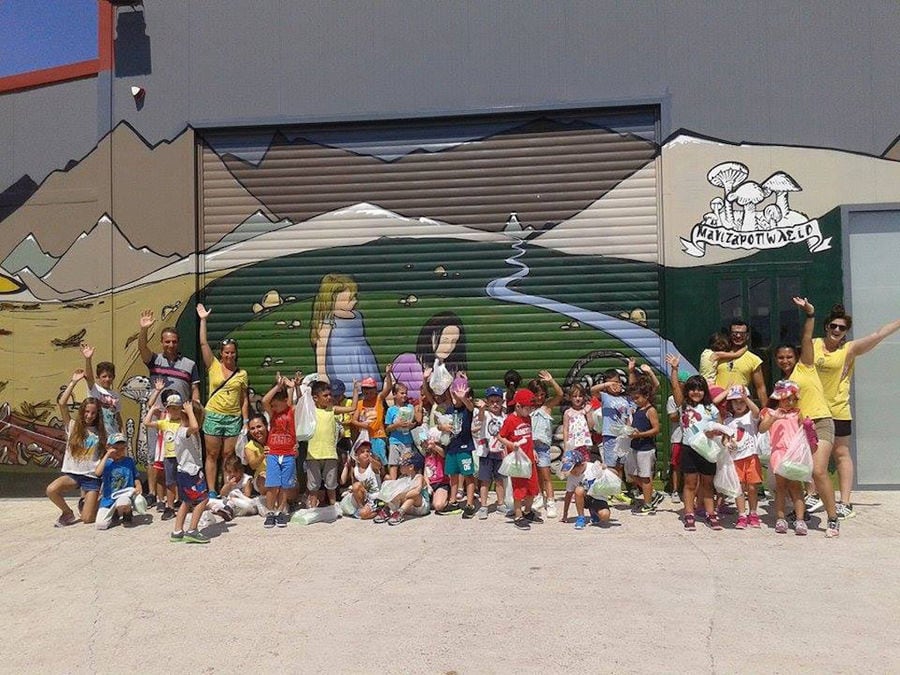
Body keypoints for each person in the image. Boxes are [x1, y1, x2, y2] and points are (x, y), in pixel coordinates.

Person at [813, 304, 900, 519]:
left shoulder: (848, 349)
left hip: (838, 410)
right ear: (826, 327)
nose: (836, 330)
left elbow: (877, 335)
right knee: (810, 454)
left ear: (845, 332)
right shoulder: (813, 345)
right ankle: (812, 495)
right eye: (833, 326)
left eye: (841, 328)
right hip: (813, 408)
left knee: (841, 454)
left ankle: (845, 502)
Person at [776, 297, 840, 537]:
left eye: (788, 356)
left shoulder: (806, 365)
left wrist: (810, 315)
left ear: (796, 356)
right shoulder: (781, 384)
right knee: (798, 471)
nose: (785, 360)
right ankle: (802, 511)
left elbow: (805, 339)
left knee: (818, 471)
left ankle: (833, 518)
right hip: (797, 430)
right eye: (780, 358)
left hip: (821, 422)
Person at [138, 309, 200, 512]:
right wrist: (144, 329)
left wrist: (195, 406)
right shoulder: (154, 360)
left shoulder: (189, 364)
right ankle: (155, 496)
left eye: (174, 341)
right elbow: (142, 348)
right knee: (155, 458)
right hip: (158, 415)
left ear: (178, 342)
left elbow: (194, 388)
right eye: (167, 341)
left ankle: (176, 498)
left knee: (178, 457)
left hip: (179, 418)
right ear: (162, 342)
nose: (170, 345)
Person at [196, 304, 249, 495]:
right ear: (221, 353)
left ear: (236, 353)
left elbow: (243, 399)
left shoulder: (242, 373)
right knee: (212, 454)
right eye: (226, 352)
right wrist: (203, 320)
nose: (229, 355)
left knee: (228, 455)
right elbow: (203, 344)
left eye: (232, 352)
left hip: (233, 418)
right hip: (213, 416)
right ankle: (211, 490)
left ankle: (226, 489)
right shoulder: (213, 366)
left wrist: (246, 420)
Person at [666, 354, 722, 531]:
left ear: (705, 391)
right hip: (689, 448)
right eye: (692, 389)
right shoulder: (683, 405)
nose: (696, 392)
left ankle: (710, 513)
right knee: (690, 483)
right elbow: (675, 386)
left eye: (699, 389)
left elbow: (719, 426)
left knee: (707, 484)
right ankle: (689, 513)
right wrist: (674, 369)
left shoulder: (711, 408)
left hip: (707, 450)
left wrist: (716, 432)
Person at [46, 370, 106, 526]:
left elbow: (104, 457)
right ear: (82, 412)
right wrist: (73, 382)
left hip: (91, 477)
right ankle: (67, 513)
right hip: (73, 474)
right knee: (51, 490)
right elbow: (62, 404)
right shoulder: (72, 426)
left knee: (87, 519)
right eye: (86, 411)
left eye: (93, 413)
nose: (89, 415)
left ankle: (103, 503)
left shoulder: (100, 432)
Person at [310, 273, 381, 387]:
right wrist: (322, 372)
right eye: (350, 298)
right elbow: (321, 345)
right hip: (342, 363)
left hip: (362, 360)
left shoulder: (357, 315)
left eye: (354, 297)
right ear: (334, 299)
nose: (355, 301)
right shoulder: (330, 319)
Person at [758, 380, 808, 536]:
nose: (790, 402)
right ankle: (781, 518)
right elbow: (761, 428)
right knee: (780, 486)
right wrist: (774, 417)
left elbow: (803, 431)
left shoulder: (797, 412)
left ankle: (800, 519)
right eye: (787, 398)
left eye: (793, 399)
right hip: (779, 453)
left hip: (795, 453)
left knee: (796, 486)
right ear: (779, 397)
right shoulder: (770, 412)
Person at [306, 379, 360, 510]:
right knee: (313, 486)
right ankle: (312, 509)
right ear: (315, 398)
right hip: (313, 454)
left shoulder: (332, 409)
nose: (329, 397)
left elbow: (352, 407)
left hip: (330, 453)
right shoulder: (310, 410)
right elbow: (296, 405)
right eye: (325, 395)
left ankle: (333, 507)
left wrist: (355, 390)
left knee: (331, 484)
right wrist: (296, 387)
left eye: (330, 395)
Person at [717, 386, 761, 529]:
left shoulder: (750, 417)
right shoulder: (728, 420)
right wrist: (727, 444)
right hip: (735, 459)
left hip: (751, 456)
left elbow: (757, 411)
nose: (739, 404)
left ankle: (753, 513)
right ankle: (742, 515)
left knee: (752, 487)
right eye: (735, 402)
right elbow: (725, 439)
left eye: (741, 401)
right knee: (739, 488)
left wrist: (746, 399)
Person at [498, 389, 543, 530]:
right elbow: (500, 436)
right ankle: (518, 515)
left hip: (529, 460)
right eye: (527, 408)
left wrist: (533, 449)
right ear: (518, 406)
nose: (529, 411)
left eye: (531, 408)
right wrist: (511, 445)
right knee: (519, 489)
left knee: (532, 488)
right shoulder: (510, 420)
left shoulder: (527, 418)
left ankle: (528, 511)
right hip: (518, 462)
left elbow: (529, 437)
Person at [261, 373, 301, 528]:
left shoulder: (291, 412)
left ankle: (280, 511)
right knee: (272, 485)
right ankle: (270, 512)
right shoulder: (272, 414)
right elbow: (265, 400)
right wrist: (278, 386)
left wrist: (295, 387)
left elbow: (302, 402)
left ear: (285, 401)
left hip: (289, 453)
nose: (273, 407)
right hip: (273, 453)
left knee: (285, 485)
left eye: (276, 404)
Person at [142, 381, 184, 521]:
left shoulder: (183, 417)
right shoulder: (163, 414)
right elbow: (150, 406)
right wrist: (157, 390)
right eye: (171, 405)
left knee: (179, 478)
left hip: (180, 452)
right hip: (164, 448)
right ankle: (162, 500)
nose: (174, 409)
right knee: (163, 476)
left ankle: (180, 501)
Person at [169, 399, 209, 544]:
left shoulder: (185, 432)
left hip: (187, 472)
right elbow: (195, 426)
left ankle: (177, 531)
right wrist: (191, 411)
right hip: (190, 473)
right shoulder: (183, 432)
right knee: (203, 499)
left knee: (186, 502)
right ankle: (192, 530)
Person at [527, 371, 563, 518]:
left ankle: (551, 502)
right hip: (530, 447)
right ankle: (538, 497)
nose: (540, 397)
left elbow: (560, 395)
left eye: (542, 394)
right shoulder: (527, 409)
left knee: (546, 476)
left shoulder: (547, 406)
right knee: (534, 476)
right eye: (537, 394)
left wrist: (551, 381)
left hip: (543, 447)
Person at [625, 379, 663, 515]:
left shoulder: (650, 410)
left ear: (646, 396)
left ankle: (648, 505)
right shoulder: (636, 409)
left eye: (637, 398)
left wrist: (640, 434)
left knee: (646, 477)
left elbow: (656, 429)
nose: (635, 400)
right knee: (631, 474)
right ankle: (652, 494)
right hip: (634, 446)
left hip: (645, 449)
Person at [473, 385, 508, 519]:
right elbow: (481, 418)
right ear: (487, 402)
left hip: (499, 452)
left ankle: (500, 503)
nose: (495, 404)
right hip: (486, 452)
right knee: (485, 481)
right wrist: (482, 408)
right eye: (491, 401)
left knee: (499, 480)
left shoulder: (505, 417)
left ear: (502, 402)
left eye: (497, 401)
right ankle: (483, 506)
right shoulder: (485, 414)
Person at [94, 432, 142, 529]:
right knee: (100, 525)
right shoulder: (106, 463)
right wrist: (107, 455)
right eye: (116, 448)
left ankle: (126, 514)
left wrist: (138, 485)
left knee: (124, 502)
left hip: (124, 494)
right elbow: (98, 473)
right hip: (109, 498)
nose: (119, 451)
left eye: (122, 448)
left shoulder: (129, 461)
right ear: (109, 447)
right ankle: (114, 513)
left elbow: (135, 476)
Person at [714, 320, 768, 404]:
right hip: (717, 405)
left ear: (747, 336)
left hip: (740, 407)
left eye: (742, 334)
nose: (738, 336)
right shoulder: (718, 355)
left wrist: (766, 412)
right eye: (735, 333)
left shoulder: (754, 359)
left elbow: (760, 388)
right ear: (729, 335)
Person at [373, 452, 430, 525]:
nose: (400, 466)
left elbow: (416, 492)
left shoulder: (419, 477)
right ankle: (386, 510)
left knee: (413, 496)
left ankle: (399, 513)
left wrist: (400, 496)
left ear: (411, 467)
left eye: (403, 464)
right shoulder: (404, 478)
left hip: (422, 508)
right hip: (410, 508)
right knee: (393, 490)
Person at [384, 372, 422, 480]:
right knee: (394, 463)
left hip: (407, 441)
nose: (404, 395)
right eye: (402, 393)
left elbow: (415, 423)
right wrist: (397, 425)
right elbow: (387, 428)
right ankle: (393, 483)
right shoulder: (391, 410)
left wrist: (411, 425)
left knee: (407, 463)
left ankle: (407, 482)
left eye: (406, 393)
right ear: (395, 395)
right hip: (395, 441)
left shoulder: (410, 407)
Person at [80, 344, 122, 435]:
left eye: (110, 376)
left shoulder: (115, 395)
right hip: (98, 434)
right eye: (104, 376)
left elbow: (118, 416)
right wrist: (88, 359)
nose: (107, 379)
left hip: (113, 434)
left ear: (114, 377)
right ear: (98, 377)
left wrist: (122, 434)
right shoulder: (95, 390)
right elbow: (89, 377)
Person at [351, 374, 391, 465]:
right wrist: (362, 425)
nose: (368, 395)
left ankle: (382, 477)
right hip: (364, 437)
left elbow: (388, 389)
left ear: (375, 390)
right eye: (366, 393)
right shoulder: (360, 403)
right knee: (364, 461)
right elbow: (353, 420)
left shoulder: (379, 399)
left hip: (378, 436)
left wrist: (388, 374)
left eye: (371, 392)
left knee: (379, 460)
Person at [340, 440, 382, 519]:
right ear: (356, 455)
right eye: (362, 452)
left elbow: (379, 466)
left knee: (363, 515)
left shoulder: (372, 466)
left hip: (376, 497)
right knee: (355, 486)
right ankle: (361, 507)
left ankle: (380, 510)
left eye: (368, 451)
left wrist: (372, 460)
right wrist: (346, 466)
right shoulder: (355, 468)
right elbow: (343, 481)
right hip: (365, 497)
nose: (366, 453)